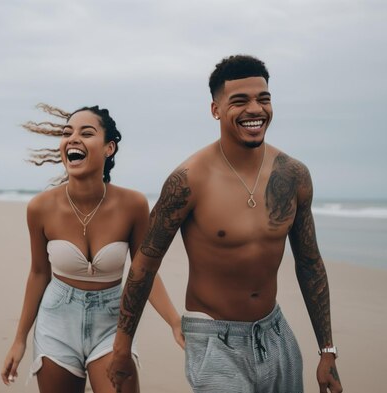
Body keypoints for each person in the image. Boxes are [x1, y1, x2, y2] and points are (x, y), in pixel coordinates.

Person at [108, 55, 343, 393]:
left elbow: (309, 264)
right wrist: (121, 347)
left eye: (263, 99)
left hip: (275, 333)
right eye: (240, 100)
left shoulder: (292, 175)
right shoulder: (188, 180)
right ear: (215, 109)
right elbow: (145, 263)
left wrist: (327, 351)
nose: (255, 109)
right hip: (215, 341)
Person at [0, 104, 184, 393]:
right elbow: (38, 273)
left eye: (86, 133)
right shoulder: (40, 208)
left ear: (109, 148)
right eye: (67, 133)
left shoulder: (132, 205)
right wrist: (20, 339)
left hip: (113, 321)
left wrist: (175, 321)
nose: (73, 138)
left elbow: (143, 271)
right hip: (56, 320)